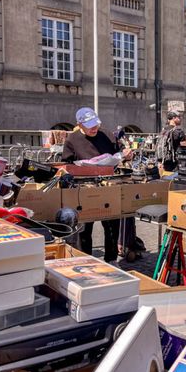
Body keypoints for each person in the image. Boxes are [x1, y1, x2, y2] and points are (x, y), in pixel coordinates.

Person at [62, 107, 132, 263]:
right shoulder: (72, 140)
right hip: (84, 189)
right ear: (79, 124)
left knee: (112, 225)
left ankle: (111, 260)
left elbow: (120, 151)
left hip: (108, 185)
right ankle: (86, 261)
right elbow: (65, 165)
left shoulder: (106, 134)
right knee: (84, 228)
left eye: (95, 124)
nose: (94, 128)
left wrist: (126, 154)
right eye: (89, 125)